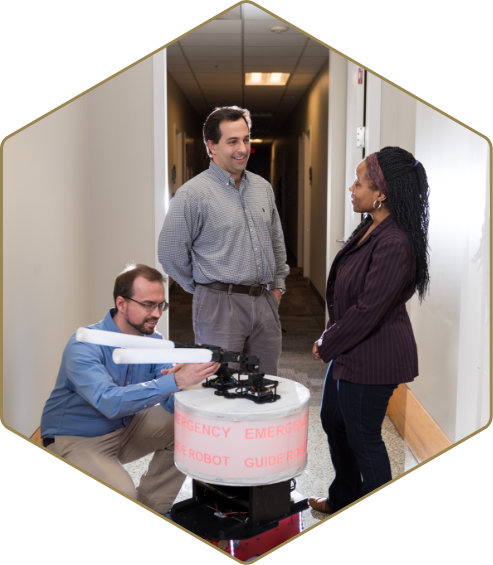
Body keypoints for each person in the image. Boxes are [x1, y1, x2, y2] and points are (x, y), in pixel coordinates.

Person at [40, 263, 220, 514]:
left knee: (190, 428)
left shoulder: (154, 342)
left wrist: (188, 377)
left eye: (161, 305)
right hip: (76, 438)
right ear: (122, 303)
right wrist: (175, 381)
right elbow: (109, 402)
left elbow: (168, 400)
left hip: (125, 427)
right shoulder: (85, 344)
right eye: (148, 304)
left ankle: (153, 507)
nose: (156, 314)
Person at [308, 147, 430, 514]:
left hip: (374, 356)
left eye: (359, 182)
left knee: (364, 438)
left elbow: (368, 311)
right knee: (332, 419)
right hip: (351, 351)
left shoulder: (395, 242)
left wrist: (328, 341)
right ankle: (344, 496)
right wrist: (334, 340)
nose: (352, 187)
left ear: (381, 192)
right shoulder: (371, 227)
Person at [158, 106, 289, 377]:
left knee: (264, 383)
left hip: (264, 302)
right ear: (212, 146)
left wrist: (276, 288)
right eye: (232, 141)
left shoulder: (262, 188)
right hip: (219, 305)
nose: (242, 148)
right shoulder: (192, 194)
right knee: (222, 385)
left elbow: (276, 242)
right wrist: (203, 288)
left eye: (246, 139)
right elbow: (170, 253)